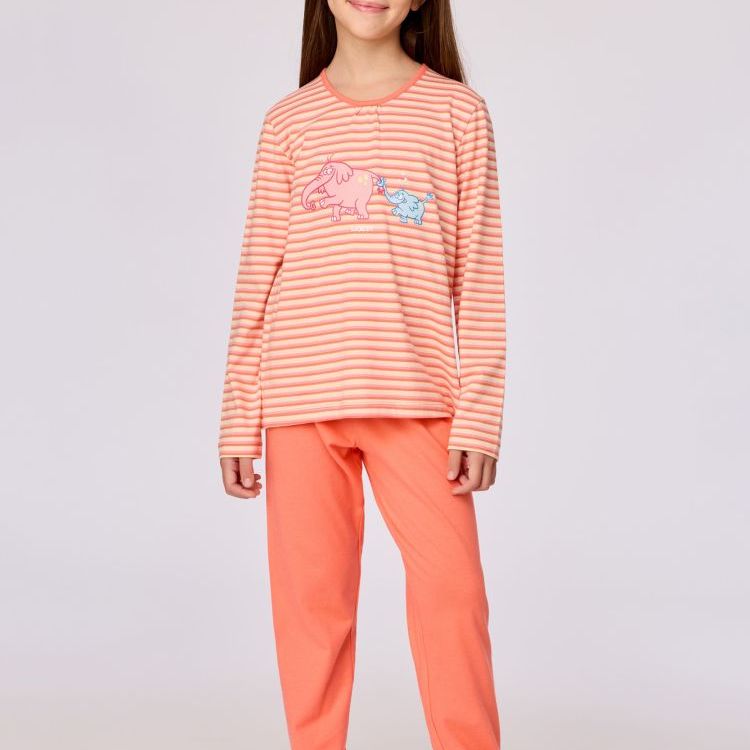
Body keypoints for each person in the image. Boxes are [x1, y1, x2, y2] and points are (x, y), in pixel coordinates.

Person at [217, 1, 506, 748]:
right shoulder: (288, 122)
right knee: (311, 610)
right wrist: (239, 416)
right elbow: (257, 276)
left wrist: (479, 415)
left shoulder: (459, 114)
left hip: (418, 400)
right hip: (299, 401)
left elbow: (478, 276)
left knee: (453, 598)